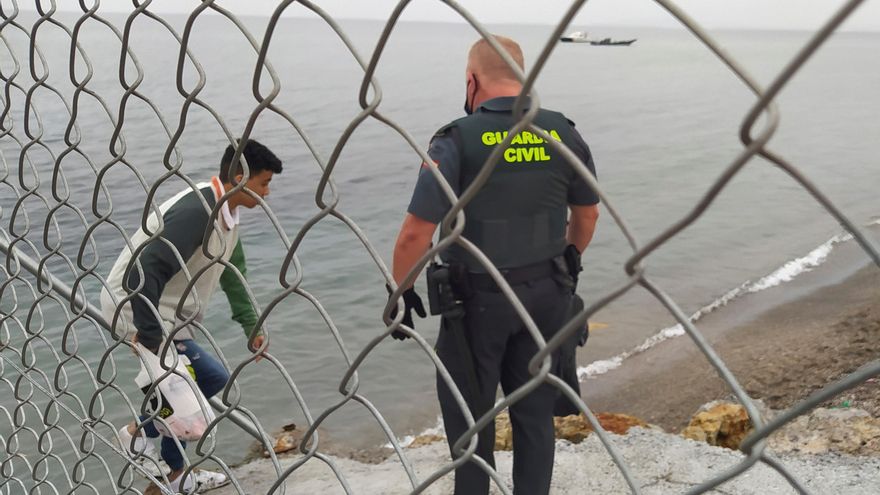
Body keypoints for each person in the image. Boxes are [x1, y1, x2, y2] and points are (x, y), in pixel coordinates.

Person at [390, 35, 599, 495]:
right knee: (534, 416)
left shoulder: (455, 139)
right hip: (546, 297)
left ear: (471, 79)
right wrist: (567, 259)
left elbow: (413, 234)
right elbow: (587, 215)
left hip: (475, 304)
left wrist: (402, 293)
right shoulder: (561, 131)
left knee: (472, 425)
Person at [100, 139, 282, 494]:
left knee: (198, 385)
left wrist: (251, 325)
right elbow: (145, 269)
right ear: (240, 177)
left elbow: (233, 273)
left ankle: (156, 454)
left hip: (166, 315)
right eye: (264, 183)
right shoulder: (199, 210)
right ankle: (153, 451)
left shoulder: (227, 214)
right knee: (196, 385)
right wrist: (150, 335)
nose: (267, 193)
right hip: (138, 306)